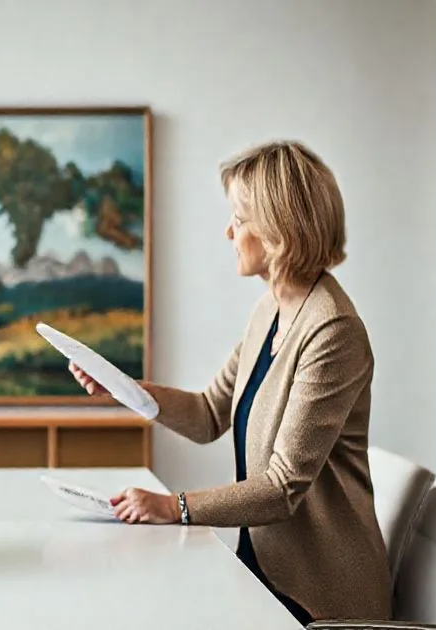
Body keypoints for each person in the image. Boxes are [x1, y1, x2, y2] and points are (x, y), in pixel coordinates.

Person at [69, 140, 392, 624]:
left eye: (238, 219)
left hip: (319, 597)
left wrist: (172, 506)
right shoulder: (270, 310)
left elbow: (283, 488)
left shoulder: (333, 330)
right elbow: (208, 414)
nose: (228, 231)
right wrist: (124, 388)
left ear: (278, 228)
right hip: (260, 566)